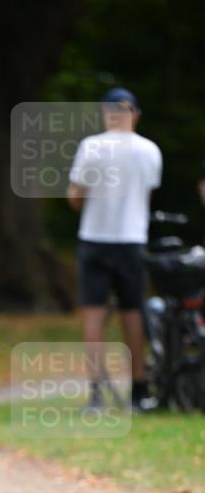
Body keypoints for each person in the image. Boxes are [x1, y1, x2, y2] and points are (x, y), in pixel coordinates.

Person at [67, 88, 162, 412]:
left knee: (93, 316)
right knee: (133, 314)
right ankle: (138, 390)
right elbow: (147, 193)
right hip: (131, 240)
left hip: (95, 238)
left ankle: (96, 396)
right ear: (134, 113)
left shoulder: (91, 146)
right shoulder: (150, 150)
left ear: (106, 113)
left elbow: (76, 197)